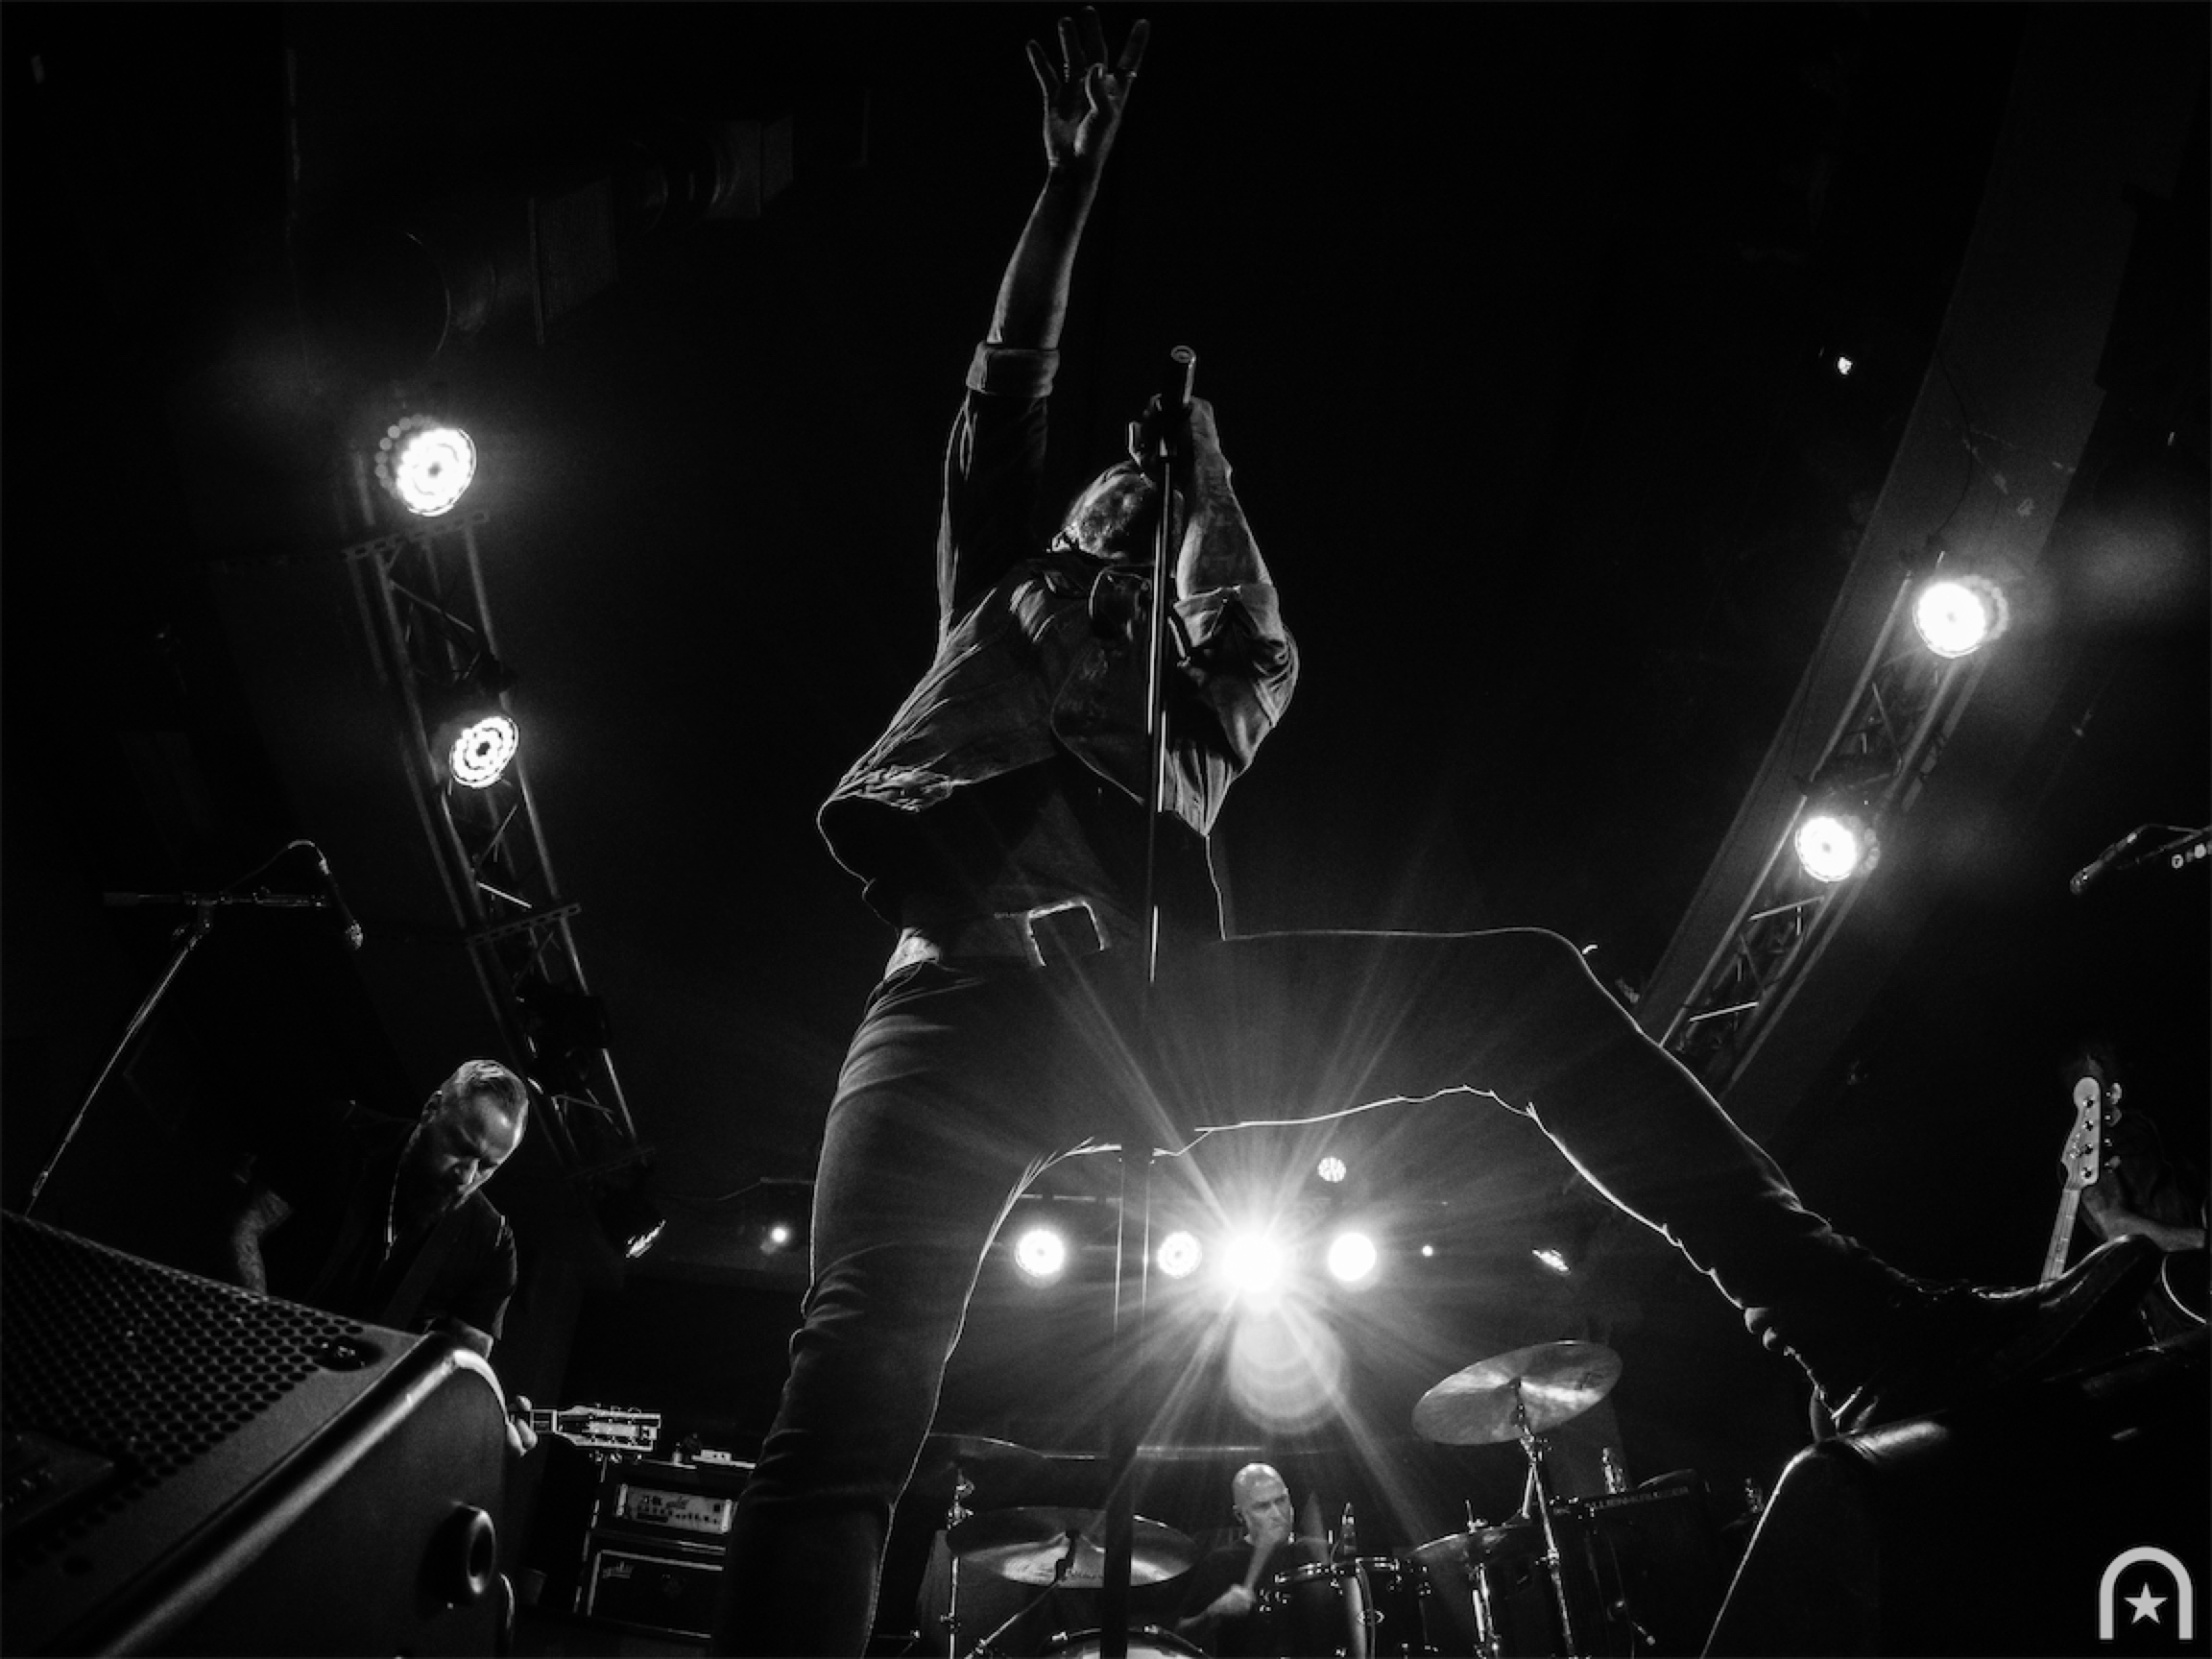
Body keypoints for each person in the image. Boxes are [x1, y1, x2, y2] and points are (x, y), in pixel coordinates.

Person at [709, 14, 2159, 1655]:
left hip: (1131, 1008)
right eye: (1099, 499)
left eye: (1139, 510)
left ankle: (1864, 1331)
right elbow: (1010, 377)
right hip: (943, 1006)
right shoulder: (999, 596)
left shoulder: (1196, 704)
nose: (1114, 502)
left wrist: (1208, 465)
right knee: (847, 1409)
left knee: (1528, 988)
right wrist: (1068, 183)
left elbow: (1254, 636)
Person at [227, 1056, 541, 1455]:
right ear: (432, 1109)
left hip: (330, 1433)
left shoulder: (491, 1245)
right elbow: (243, 1228)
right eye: (462, 1149)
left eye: (487, 1168)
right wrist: (257, 1339)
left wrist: (482, 1427)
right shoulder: (341, 1132)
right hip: (235, 1365)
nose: (466, 1177)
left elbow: (458, 1374)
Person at [2067, 1043, 2207, 1337]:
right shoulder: (2086, 1149)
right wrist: (2202, 1240)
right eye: (2103, 1058)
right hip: (2173, 1294)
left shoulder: (2146, 1124)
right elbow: (2115, 1226)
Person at [1173, 1464, 1331, 1658]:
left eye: (1281, 1500)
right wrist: (1214, 1612)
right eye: (1263, 1507)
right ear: (1240, 1515)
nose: (1277, 1514)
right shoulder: (1220, 1563)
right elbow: (1180, 1637)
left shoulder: (1321, 1553)